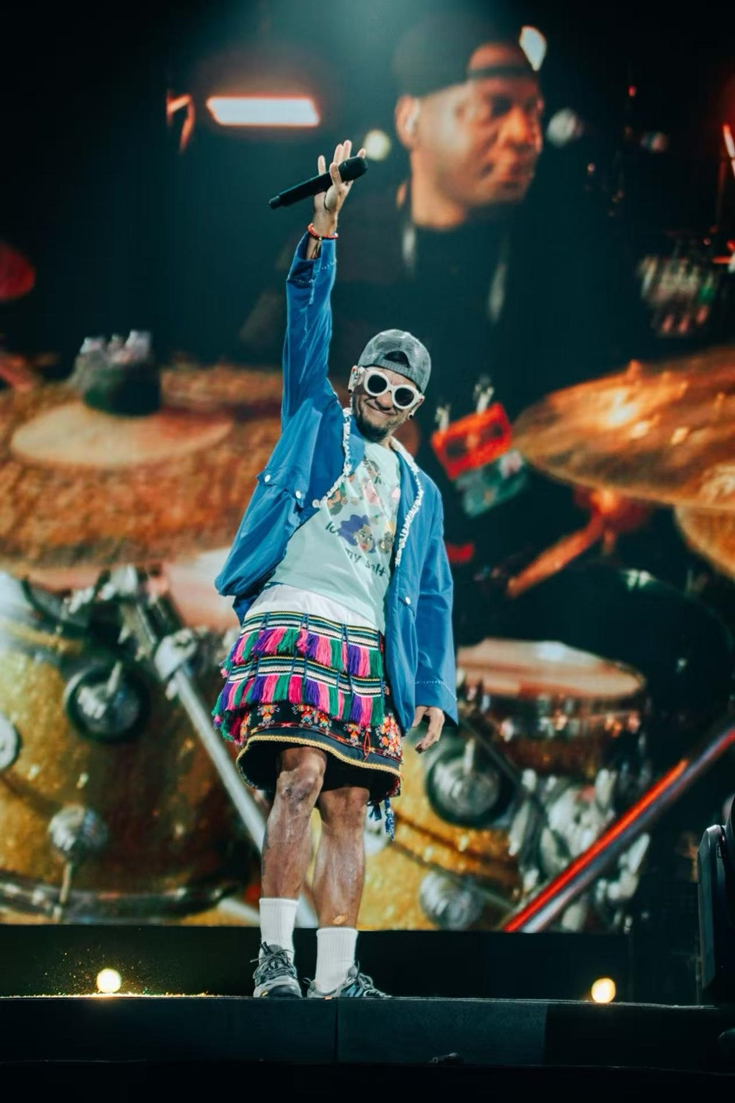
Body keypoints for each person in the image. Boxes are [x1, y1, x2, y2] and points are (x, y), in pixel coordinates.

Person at [239, 12, 657, 642]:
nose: (526, 134)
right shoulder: (337, 245)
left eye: (534, 112)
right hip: (358, 593)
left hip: (532, 588)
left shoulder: (579, 258)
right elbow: (244, 399)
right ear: (412, 121)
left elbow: (641, 407)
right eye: (495, 107)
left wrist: (630, 481)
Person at [212, 141, 458, 998]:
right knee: (301, 778)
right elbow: (305, 318)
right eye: (376, 383)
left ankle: (336, 975)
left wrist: (433, 687)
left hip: (365, 647)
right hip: (295, 614)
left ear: (415, 408)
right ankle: (275, 960)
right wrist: (324, 229)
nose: (385, 400)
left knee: (350, 805)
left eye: (402, 395)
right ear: (355, 380)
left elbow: (431, 596)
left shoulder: (421, 492)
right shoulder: (315, 417)